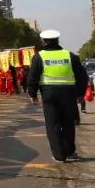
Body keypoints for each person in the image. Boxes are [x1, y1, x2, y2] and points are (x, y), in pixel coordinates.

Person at [26, 30, 89, 163]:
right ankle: (70, 151)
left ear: (44, 42)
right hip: (68, 93)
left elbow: (32, 77)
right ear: (58, 41)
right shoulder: (69, 55)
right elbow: (82, 76)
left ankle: (59, 155)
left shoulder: (39, 57)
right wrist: (80, 93)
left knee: (52, 125)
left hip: (49, 94)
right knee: (68, 123)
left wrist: (32, 93)